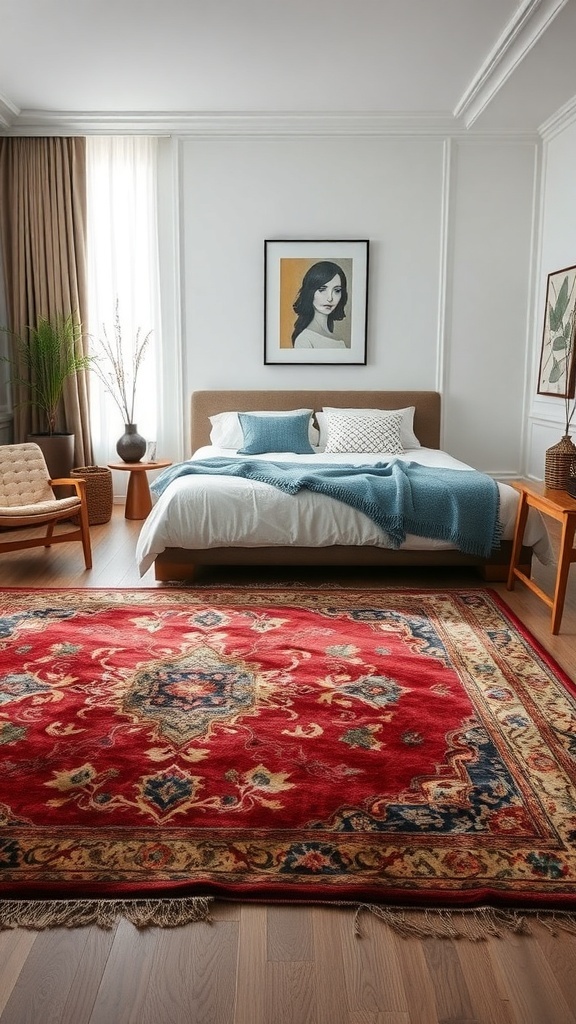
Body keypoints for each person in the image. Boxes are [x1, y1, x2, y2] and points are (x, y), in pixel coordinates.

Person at [292, 261, 348, 348]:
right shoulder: (304, 340)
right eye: (322, 289)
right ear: (310, 292)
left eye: (336, 290)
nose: (330, 298)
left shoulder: (338, 339)